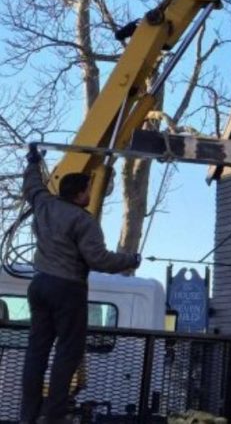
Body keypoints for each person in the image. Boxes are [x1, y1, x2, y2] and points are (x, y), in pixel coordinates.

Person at [20, 145, 141, 424]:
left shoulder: (44, 203)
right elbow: (98, 259)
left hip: (39, 285)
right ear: (79, 194)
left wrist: (33, 161)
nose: (90, 193)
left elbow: (32, 186)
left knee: (37, 351)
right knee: (67, 353)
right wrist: (130, 260)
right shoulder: (83, 221)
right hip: (67, 289)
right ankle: (53, 416)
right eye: (88, 189)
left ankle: (28, 415)